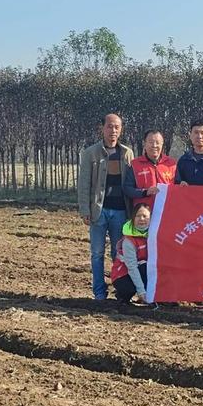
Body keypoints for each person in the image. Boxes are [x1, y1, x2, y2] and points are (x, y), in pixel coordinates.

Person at [78, 113, 134, 300]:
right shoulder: (90, 153)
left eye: (117, 127)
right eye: (110, 126)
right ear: (102, 128)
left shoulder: (127, 153)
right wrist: (85, 210)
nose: (113, 130)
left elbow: (131, 183)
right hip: (98, 211)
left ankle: (120, 290)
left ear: (121, 129)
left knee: (118, 254)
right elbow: (84, 184)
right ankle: (99, 293)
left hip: (120, 211)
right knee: (97, 253)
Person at [124, 129, 177, 209]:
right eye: (151, 142)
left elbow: (178, 186)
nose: (154, 146)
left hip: (166, 211)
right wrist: (145, 192)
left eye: (157, 142)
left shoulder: (171, 164)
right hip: (143, 214)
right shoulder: (135, 165)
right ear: (144, 144)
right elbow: (127, 189)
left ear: (162, 144)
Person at [111, 203, 151, 303]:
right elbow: (132, 267)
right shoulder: (128, 241)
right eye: (138, 216)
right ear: (133, 218)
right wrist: (141, 292)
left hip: (142, 268)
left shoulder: (153, 234)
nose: (141, 219)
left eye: (145, 216)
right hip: (123, 273)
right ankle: (121, 295)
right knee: (128, 289)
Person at [176, 120, 203, 186]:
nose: (199, 136)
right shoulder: (183, 160)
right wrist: (181, 183)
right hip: (189, 196)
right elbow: (177, 183)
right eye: (196, 132)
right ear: (190, 135)